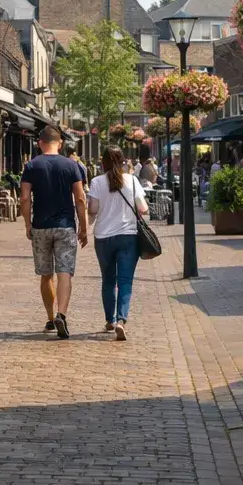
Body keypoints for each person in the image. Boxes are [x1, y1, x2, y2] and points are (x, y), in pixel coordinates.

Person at [20, 125, 88, 339]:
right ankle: (62, 314)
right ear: (60, 143)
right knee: (64, 272)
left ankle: (50, 318)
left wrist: (27, 224)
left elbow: (24, 198)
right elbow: (79, 198)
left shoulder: (31, 166)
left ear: (40, 143)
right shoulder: (71, 165)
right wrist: (84, 228)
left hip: (40, 226)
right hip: (66, 226)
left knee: (46, 274)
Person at [88, 146, 148, 341]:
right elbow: (143, 208)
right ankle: (122, 320)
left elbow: (93, 209)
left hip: (103, 237)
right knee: (125, 282)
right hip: (128, 236)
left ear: (103, 163)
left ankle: (110, 320)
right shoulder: (132, 180)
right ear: (123, 162)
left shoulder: (97, 182)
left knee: (108, 280)